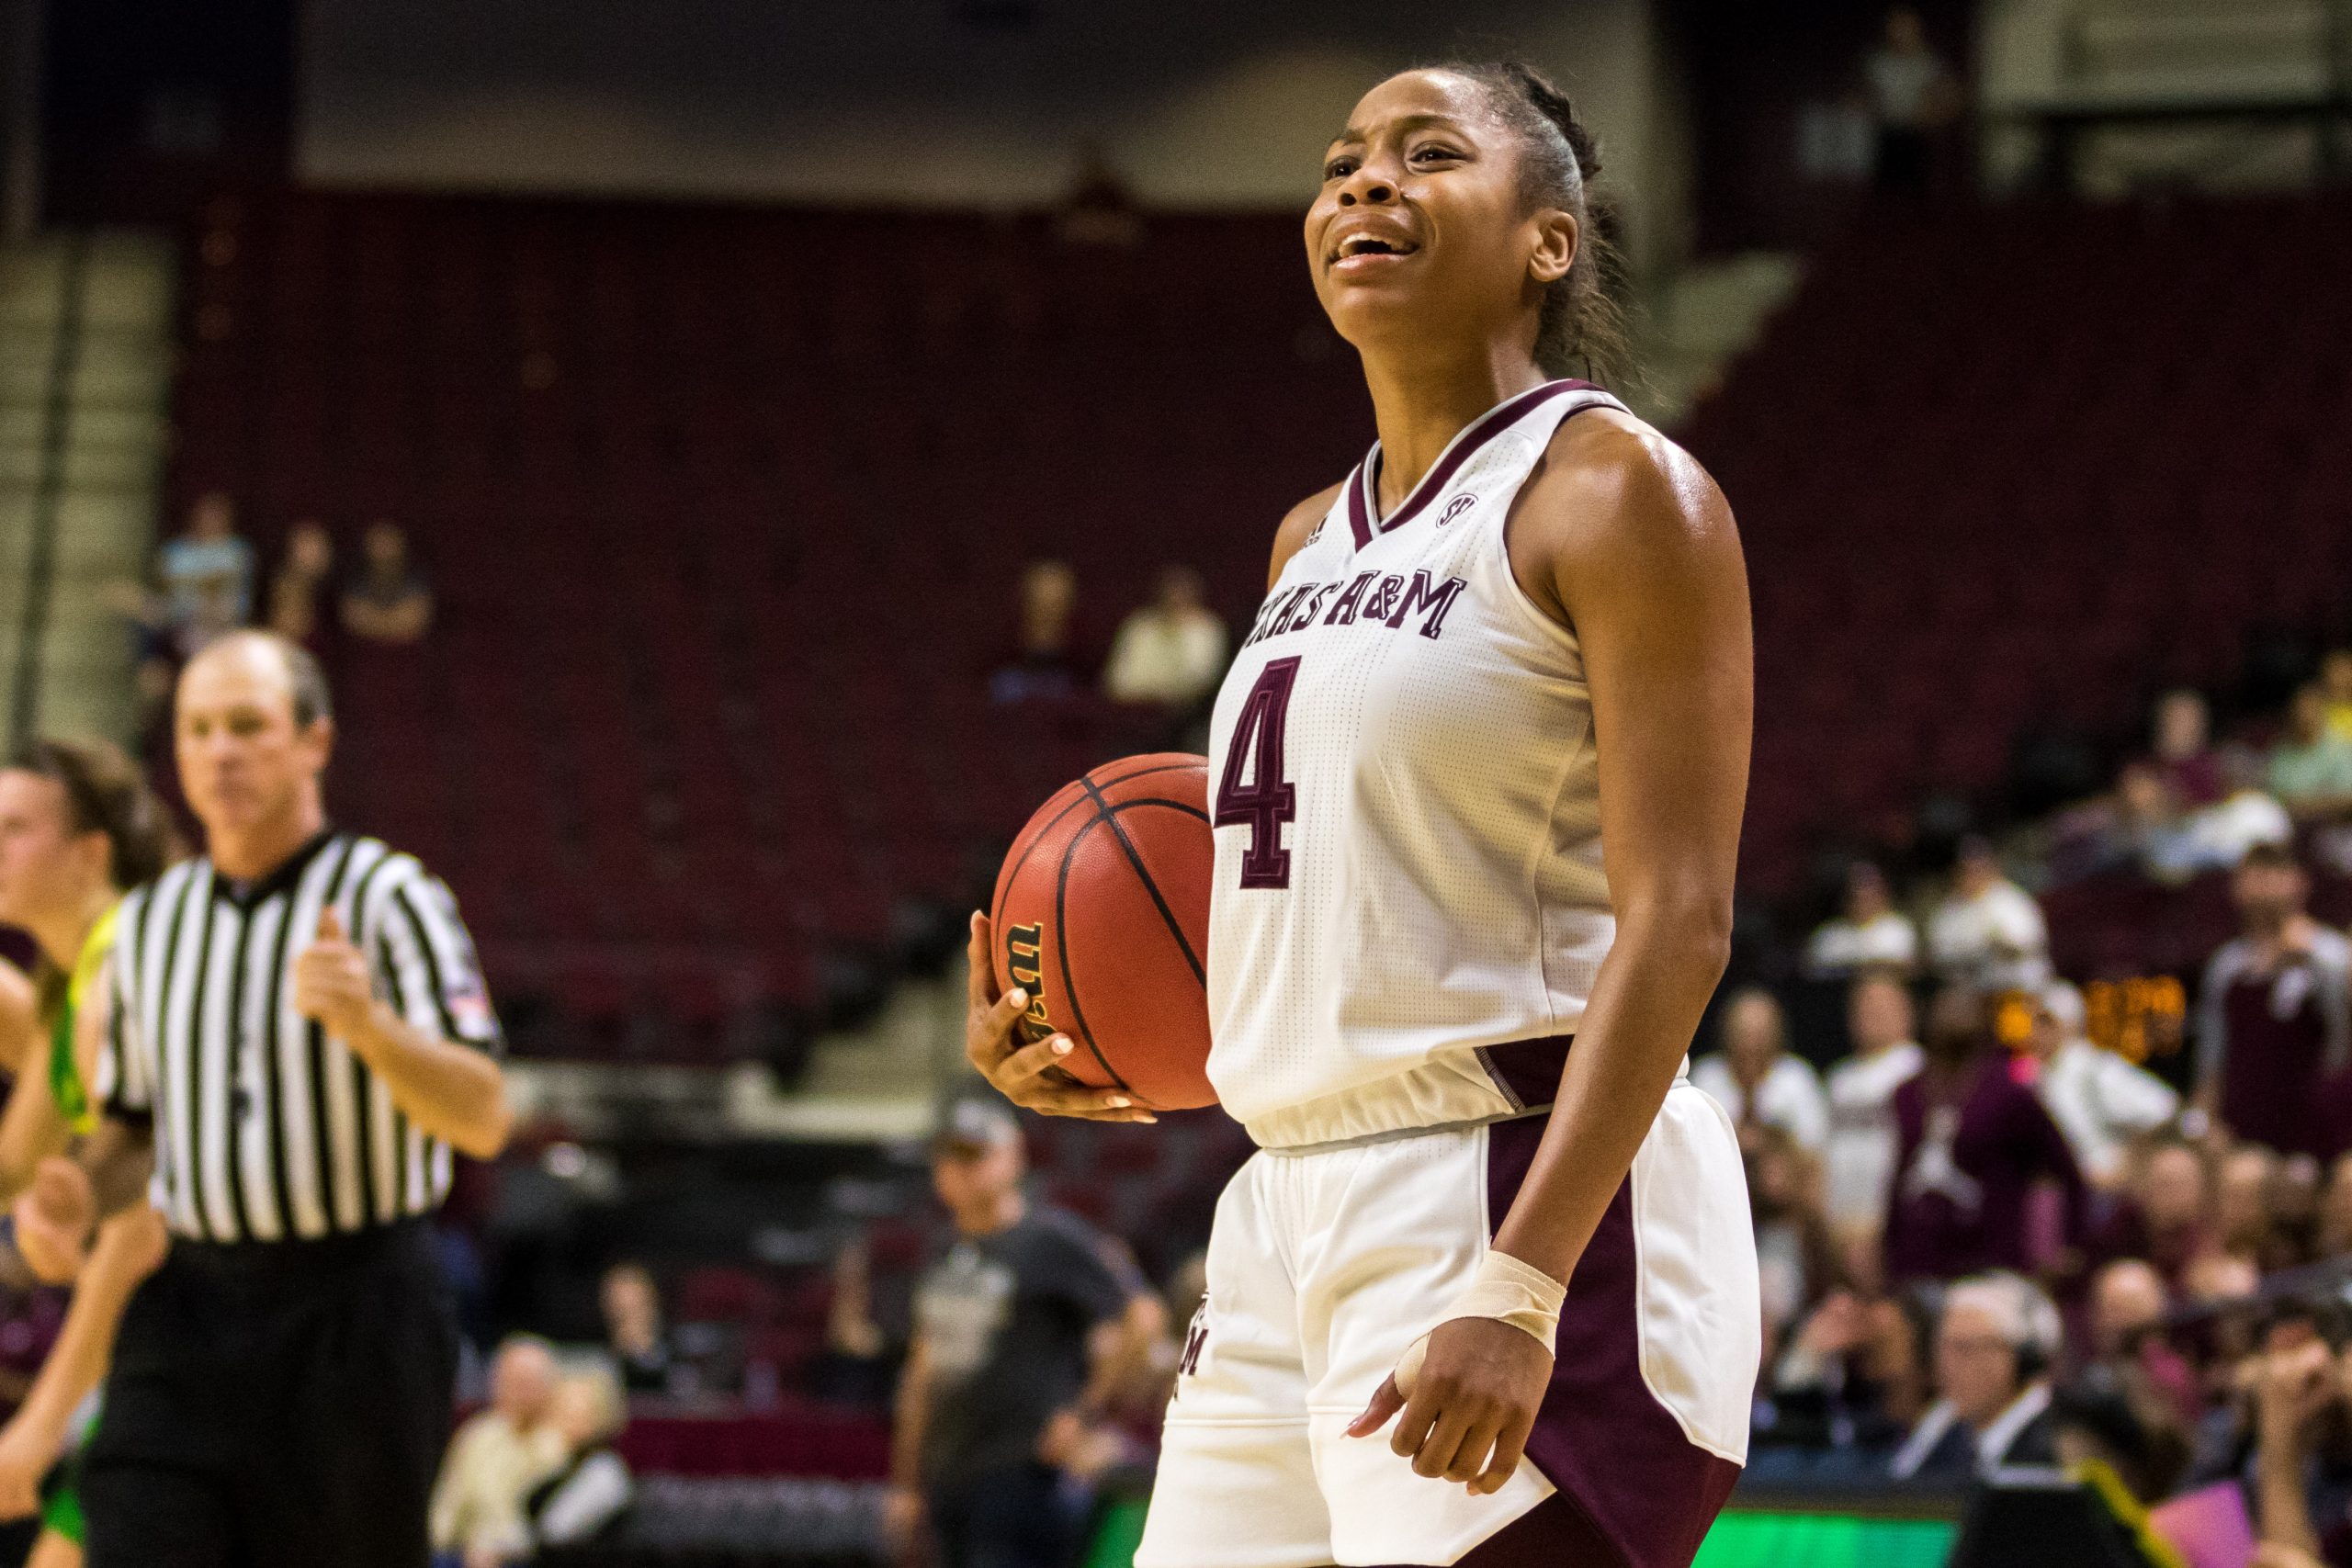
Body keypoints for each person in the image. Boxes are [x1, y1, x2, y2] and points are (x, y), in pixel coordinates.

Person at [967, 60, 1760, 1567]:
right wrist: (1087, 1021)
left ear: (1548, 239)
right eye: (1340, 165)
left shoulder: (1619, 494)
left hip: (1515, 1179)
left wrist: (1521, 1285)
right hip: (1282, 1202)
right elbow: (1316, 892)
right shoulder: (1304, 538)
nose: (1364, 186)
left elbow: (1684, 919)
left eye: (1426, 153)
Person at [38, 630, 512, 1568]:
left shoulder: (390, 896)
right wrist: (82, 1190)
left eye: (248, 727)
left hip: (356, 1311)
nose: (221, 752)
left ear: (314, 744)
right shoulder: (150, 925)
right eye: (198, 730)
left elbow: (484, 1113)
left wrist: (372, 1027)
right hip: (191, 1305)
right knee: (132, 1530)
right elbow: (134, 1126)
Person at [0, 740, 178, 1568]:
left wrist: (40, 1422)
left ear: (90, 853)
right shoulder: (74, 977)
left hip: (215, 1329)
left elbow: (140, 1225)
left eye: (12, 828)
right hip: (166, 1340)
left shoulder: (125, 969)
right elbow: (14, 1171)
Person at [888, 1100, 1163, 1568]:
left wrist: (1084, 1412)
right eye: (949, 1158)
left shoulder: (1050, 1240)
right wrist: (906, 1484)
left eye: (975, 1155)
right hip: (949, 1473)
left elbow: (1141, 1316)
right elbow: (922, 1370)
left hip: (1023, 1473)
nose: (960, 1171)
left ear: (1013, 1158)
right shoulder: (942, 1251)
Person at [1885, 983, 2087, 1283]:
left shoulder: (2009, 1095)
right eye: (1946, 1006)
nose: (1954, 1015)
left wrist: (2072, 1242)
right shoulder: (1908, 1095)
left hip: (1990, 1263)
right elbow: (1900, 1176)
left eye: (1965, 1008)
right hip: (1917, 1264)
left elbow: (2064, 1168)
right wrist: (1887, 1248)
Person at [2196, 843, 2351, 1159]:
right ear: (2236, 887)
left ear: (2300, 882)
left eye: (2275, 872)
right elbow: (2213, 1057)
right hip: (2241, 1132)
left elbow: (2342, 1047)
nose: (2264, 884)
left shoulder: (2331, 956)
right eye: (2255, 874)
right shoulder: (2226, 966)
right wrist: (2206, 1122)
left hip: (2314, 1128)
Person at [1887, 1273, 2063, 1482]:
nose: (1947, 1366)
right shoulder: (1945, 1430)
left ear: (2019, 1358)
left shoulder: (2056, 1444)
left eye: (1965, 1348)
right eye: (1943, 1348)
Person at [2026, 980, 2179, 1188]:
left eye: (2047, 1022)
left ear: (2070, 1023)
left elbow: (2162, 1110)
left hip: (2101, 1195)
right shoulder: (2034, 1077)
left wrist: (2125, 1166)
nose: (2038, 1032)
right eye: (2034, 1023)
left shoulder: (2094, 1068)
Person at [429, 1337, 564, 1568]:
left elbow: (555, 1528)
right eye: (511, 1382)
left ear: (548, 1388)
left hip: (528, 1558)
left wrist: (499, 1553)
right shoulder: (476, 1436)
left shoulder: (561, 1442)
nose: (519, 1392)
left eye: (528, 1383)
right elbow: (446, 1512)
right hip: (463, 1556)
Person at [1822, 972, 1925, 1238]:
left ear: (1906, 1012)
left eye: (1881, 1006)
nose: (1870, 1015)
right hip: (1840, 1222)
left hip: (1894, 1222)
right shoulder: (1839, 1079)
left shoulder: (1916, 1069)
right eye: (1863, 1007)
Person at [1691, 988, 1830, 1154]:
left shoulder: (1797, 1078)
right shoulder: (1705, 1078)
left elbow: (1813, 1151)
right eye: (1743, 1033)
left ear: (1777, 1035)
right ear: (1726, 1034)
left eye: (1760, 1035)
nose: (1751, 1045)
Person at [516, 1370, 633, 1557]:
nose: (563, 1414)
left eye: (574, 1408)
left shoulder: (604, 1470)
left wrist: (502, 1551)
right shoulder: (568, 1461)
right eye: (560, 1405)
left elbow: (554, 1533)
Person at [1926, 836, 2051, 995]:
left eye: (1979, 868)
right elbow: (1937, 956)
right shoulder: (1949, 910)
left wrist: (1996, 948)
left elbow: (2026, 945)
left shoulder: (2011, 900)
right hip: (1968, 991)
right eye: (1966, 870)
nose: (1972, 875)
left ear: (1992, 868)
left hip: (2019, 990)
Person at [1860, 7, 1958, 199]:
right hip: (1885, 135)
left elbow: (1948, 97)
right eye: (1897, 26)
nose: (1901, 32)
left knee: (1918, 192)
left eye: (1907, 26)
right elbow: (1863, 97)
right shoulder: (1877, 62)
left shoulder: (1929, 62)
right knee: (1884, 193)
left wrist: (1936, 114)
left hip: (1919, 135)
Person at [1102, 566, 1229, 707]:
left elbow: (1202, 682)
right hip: (1134, 709)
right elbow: (1118, 681)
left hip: (1186, 714)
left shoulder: (1208, 629)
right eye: (1171, 594)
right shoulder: (1140, 626)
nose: (1176, 600)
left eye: (1183, 594)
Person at [989, 560, 1087, 705]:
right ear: (1023, 606)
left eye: (1056, 606)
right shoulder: (996, 673)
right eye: (1039, 606)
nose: (1048, 616)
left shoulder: (1087, 676)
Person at [1804, 861, 1917, 978]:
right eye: (1856, 896)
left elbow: (1904, 971)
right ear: (1845, 899)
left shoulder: (1898, 929)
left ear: (1883, 896)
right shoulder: (1829, 936)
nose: (1863, 902)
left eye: (1870, 895)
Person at [341, 521, 434, 646]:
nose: (383, 550)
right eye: (378, 543)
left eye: (388, 543)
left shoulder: (416, 582)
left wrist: (374, 621)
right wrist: (395, 621)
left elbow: (417, 618)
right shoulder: (354, 583)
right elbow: (353, 617)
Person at [600, 1263, 678, 1397]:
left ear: (652, 1303)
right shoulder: (599, 1364)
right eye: (619, 1309)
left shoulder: (677, 1358)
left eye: (635, 1309)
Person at [266, 521, 334, 648]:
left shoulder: (328, 592)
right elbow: (286, 639)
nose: (316, 553)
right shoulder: (286, 587)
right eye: (307, 546)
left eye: (320, 546)